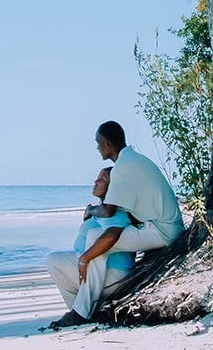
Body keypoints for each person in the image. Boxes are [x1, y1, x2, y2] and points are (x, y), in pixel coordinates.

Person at [46, 120, 184, 328]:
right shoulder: (131, 161)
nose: (97, 148)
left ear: (108, 144)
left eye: (98, 143)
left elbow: (109, 211)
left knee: (96, 238)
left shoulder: (123, 167)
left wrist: (84, 255)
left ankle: (81, 312)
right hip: (160, 226)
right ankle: (81, 308)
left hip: (163, 230)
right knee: (92, 240)